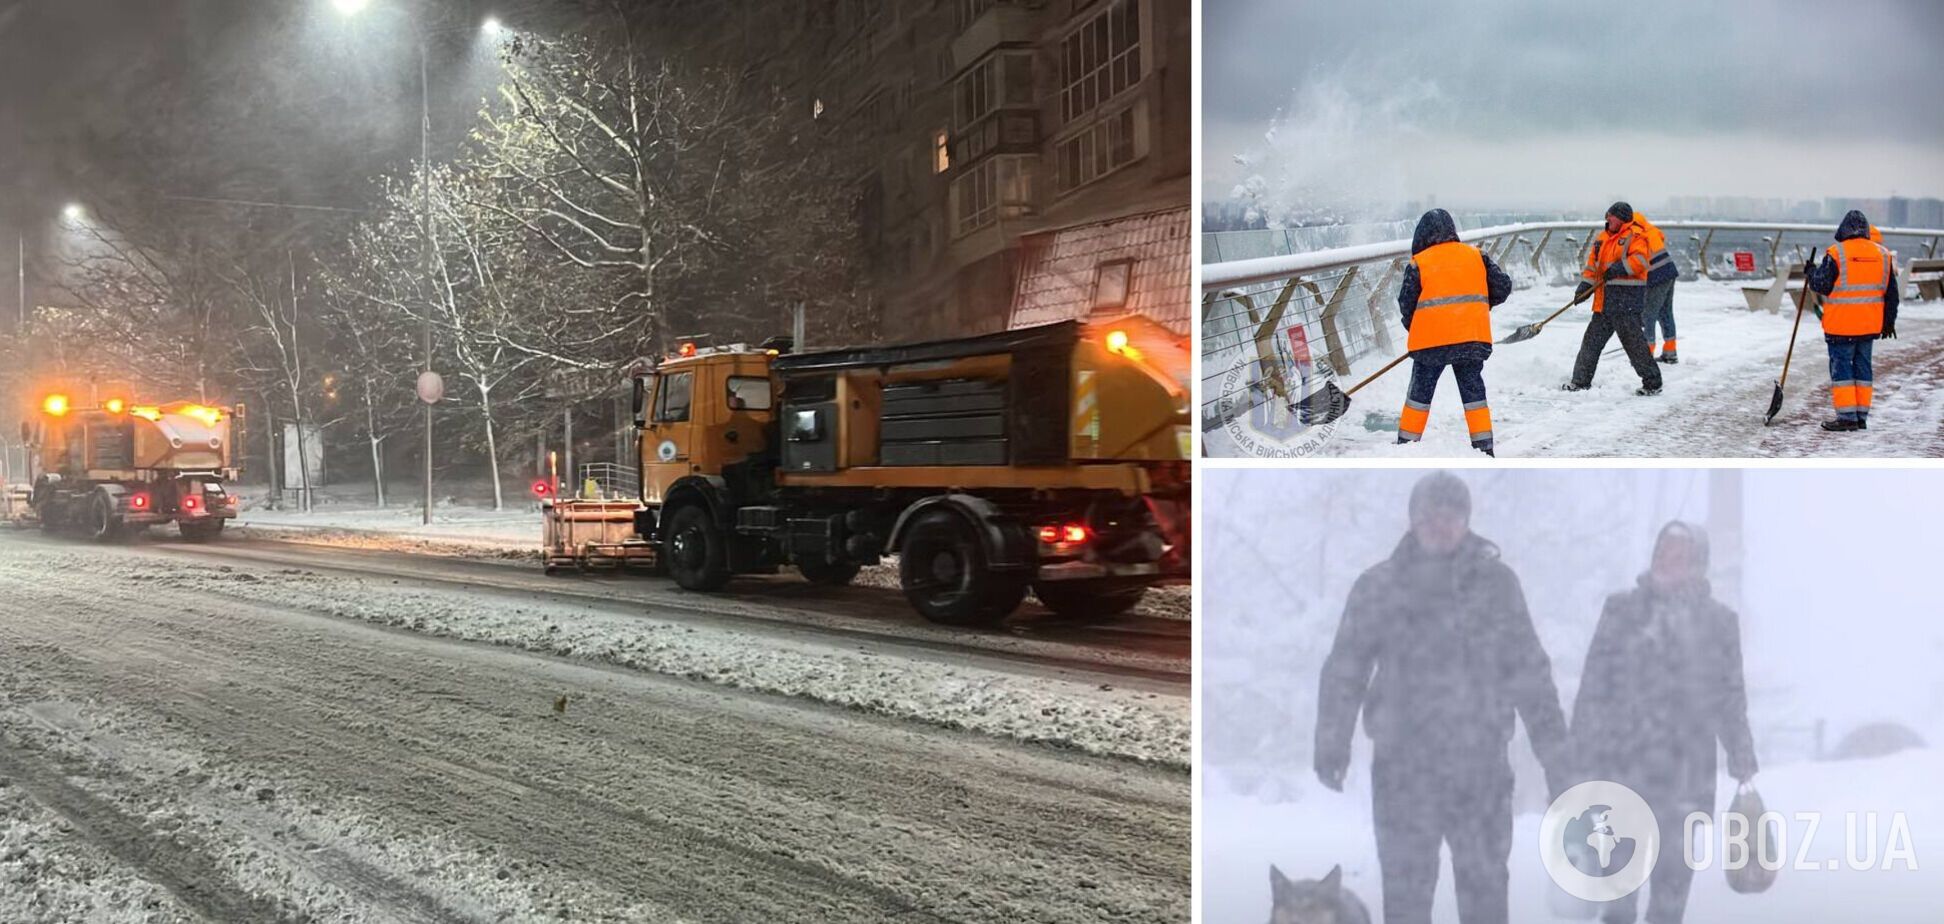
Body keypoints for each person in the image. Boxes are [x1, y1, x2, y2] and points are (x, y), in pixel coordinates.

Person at [1316, 472, 1571, 924]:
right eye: (1429, 516)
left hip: (1481, 770)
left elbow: (1529, 671)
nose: (1439, 525)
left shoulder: (1497, 585)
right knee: (1406, 896)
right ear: (1412, 520)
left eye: (1450, 516)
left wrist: (1555, 756)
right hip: (1402, 771)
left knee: (1485, 892)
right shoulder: (1379, 585)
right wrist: (1331, 742)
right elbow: (1345, 668)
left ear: (1466, 522)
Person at [1571, 521, 1758, 924]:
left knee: (1670, 901)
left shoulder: (1718, 623)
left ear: (1699, 567)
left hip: (1685, 781)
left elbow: (1729, 696)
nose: (1667, 563)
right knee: (1619, 897)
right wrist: (1578, 758)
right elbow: (1593, 690)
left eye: (1679, 557)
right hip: (1622, 775)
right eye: (1662, 554)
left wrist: (1741, 752)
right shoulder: (1621, 611)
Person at [1395, 209, 1514, 455]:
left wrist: (1416, 328)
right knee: (1474, 396)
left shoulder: (1419, 263)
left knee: (1419, 394)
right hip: (1471, 338)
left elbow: (1406, 304)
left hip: (1430, 343)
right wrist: (1477, 307)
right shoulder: (1477, 256)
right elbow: (1502, 287)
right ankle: (1484, 448)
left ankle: (1405, 447)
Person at [1806, 210, 1899, 431]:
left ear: (1843, 230)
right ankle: (1860, 416)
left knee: (1842, 371)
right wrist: (1889, 322)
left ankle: (1847, 417)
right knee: (1863, 369)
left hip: (1840, 325)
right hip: (1868, 326)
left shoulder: (1836, 253)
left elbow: (1821, 285)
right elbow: (1891, 294)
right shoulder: (1883, 255)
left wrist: (1811, 272)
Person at [1563, 202, 1663, 396]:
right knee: (1591, 342)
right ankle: (1580, 381)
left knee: (1634, 346)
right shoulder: (1602, 239)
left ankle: (1652, 382)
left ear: (1622, 218)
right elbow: (1593, 267)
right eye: (1607, 215)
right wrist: (1585, 286)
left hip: (1626, 303)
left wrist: (1619, 268)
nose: (1608, 219)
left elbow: (1641, 261)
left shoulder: (1635, 236)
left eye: (1612, 216)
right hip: (1604, 302)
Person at [1633, 212, 1680, 364]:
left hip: (1656, 277)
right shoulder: (1651, 231)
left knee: (1648, 315)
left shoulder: (1636, 235)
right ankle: (1670, 351)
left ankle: (1646, 354)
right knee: (1665, 312)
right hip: (1669, 272)